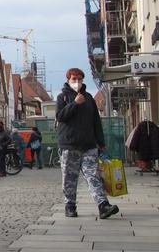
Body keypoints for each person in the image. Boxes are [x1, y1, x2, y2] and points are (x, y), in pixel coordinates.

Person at [56, 68, 119, 219]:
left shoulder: (89, 98)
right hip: (69, 145)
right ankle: (70, 205)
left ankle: (103, 205)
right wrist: (75, 104)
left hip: (89, 145)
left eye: (79, 79)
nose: (77, 82)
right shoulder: (62, 97)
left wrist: (101, 142)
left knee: (93, 175)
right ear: (68, 80)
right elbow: (60, 116)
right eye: (73, 79)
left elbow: (96, 121)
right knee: (69, 178)